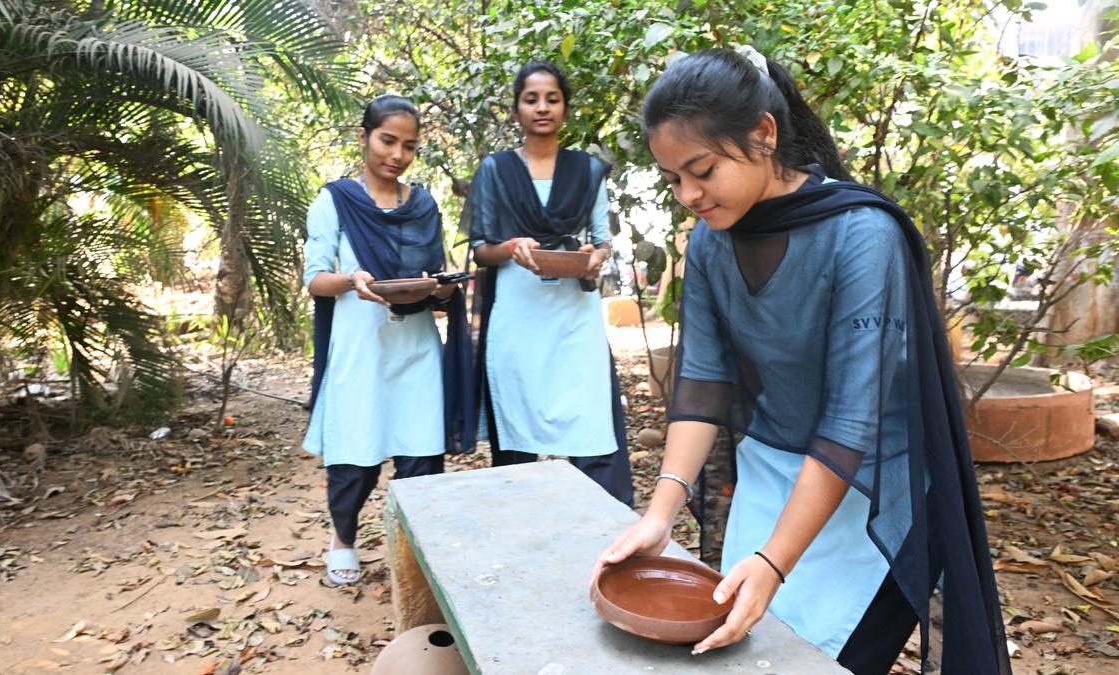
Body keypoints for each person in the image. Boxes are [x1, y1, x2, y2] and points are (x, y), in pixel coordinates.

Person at [593, 47, 1010, 675]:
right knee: (741, 654)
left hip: (872, 495)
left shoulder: (864, 236)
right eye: (673, 178)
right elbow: (705, 381)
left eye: (700, 169)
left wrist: (773, 562)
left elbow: (851, 421)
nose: (687, 194)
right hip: (770, 479)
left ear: (763, 133)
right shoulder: (709, 240)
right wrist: (660, 512)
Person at [303, 95, 474, 585]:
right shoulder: (335, 200)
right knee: (355, 452)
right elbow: (315, 279)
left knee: (421, 453)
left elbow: (434, 276)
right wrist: (353, 280)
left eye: (409, 146)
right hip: (360, 347)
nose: (397, 154)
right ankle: (344, 540)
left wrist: (441, 287)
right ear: (364, 136)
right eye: (387, 140)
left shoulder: (423, 206)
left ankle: (412, 553)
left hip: (416, 345)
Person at [462, 61, 633, 505]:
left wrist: (593, 260)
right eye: (531, 99)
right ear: (516, 109)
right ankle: (516, 532)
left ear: (565, 108)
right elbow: (481, 249)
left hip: (574, 321)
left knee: (591, 424)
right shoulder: (495, 171)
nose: (542, 108)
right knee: (517, 430)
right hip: (517, 319)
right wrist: (513, 247)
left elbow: (601, 240)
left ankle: (607, 536)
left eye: (552, 99)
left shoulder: (588, 171)